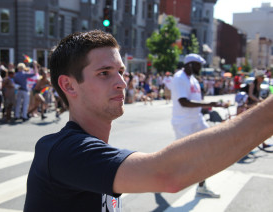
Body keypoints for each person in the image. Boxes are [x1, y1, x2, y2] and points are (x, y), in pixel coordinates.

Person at [24, 30, 273, 212]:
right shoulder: (64, 151)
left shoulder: (92, 150)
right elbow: (168, 174)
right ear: (68, 85)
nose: (122, 82)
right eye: (104, 73)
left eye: (121, 71)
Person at [168, 53, 228, 198]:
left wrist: (214, 106)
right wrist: (209, 104)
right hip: (184, 123)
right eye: (198, 64)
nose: (201, 67)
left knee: (208, 147)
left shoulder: (193, 79)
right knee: (186, 155)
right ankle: (158, 170)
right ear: (190, 64)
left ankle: (201, 186)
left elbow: (196, 102)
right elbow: (184, 102)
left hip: (197, 120)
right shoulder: (179, 78)